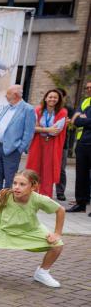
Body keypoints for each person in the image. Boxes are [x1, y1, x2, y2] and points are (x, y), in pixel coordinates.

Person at [0, 169, 65, 288]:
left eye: (22, 184)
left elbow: (60, 210)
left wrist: (57, 233)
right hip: (2, 229)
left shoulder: (39, 199)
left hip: (29, 231)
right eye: (15, 183)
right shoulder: (5, 194)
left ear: (33, 186)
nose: (16, 187)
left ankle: (42, 273)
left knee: (58, 245)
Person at [0, 85, 36, 197]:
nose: (5, 96)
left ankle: (7, 202)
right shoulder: (7, 107)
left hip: (12, 149)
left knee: (10, 178)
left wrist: (20, 149)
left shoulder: (28, 109)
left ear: (15, 95)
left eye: (8, 94)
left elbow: (29, 132)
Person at [26, 89, 67, 198]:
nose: (52, 99)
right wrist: (47, 129)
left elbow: (56, 131)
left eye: (55, 97)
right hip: (38, 143)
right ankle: (31, 194)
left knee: (48, 171)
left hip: (52, 144)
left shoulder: (62, 112)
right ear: (45, 98)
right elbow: (31, 128)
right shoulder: (38, 110)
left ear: (59, 100)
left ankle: (45, 196)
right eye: (50, 97)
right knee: (34, 167)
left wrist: (40, 128)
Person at [67, 81, 91, 214]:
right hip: (82, 143)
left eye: (90, 88)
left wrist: (82, 119)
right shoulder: (85, 102)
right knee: (81, 175)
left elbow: (80, 120)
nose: (88, 90)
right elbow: (74, 120)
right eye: (87, 88)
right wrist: (80, 119)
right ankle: (80, 204)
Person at [55, 87, 75, 201]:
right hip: (49, 142)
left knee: (61, 169)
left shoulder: (68, 110)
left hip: (63, 144)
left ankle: (60, 192)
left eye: (59, 96)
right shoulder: (49, 109)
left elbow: (72, 123)